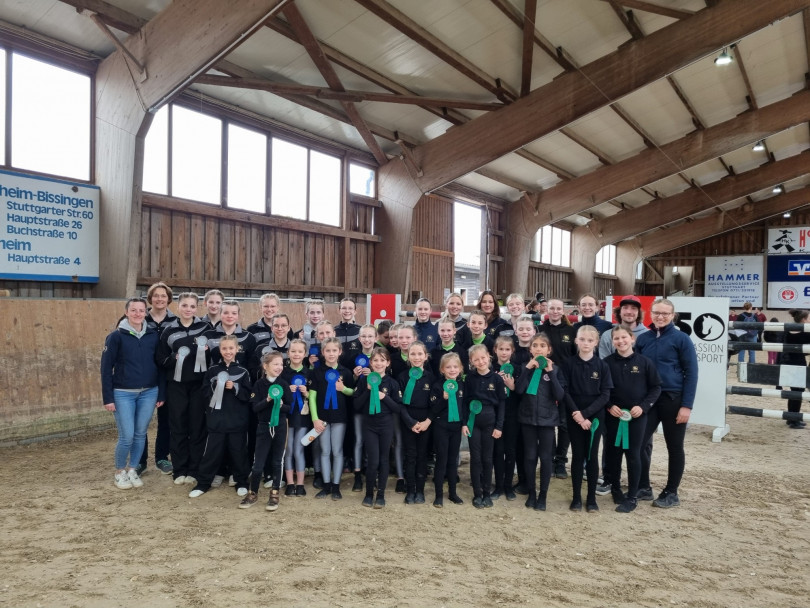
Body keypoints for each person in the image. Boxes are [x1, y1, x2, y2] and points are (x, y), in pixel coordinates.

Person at [636, 298, 699, 508]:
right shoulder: (643, 339)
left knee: (674, 446)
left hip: (673, 399)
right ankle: (643, 486)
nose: (660, 317)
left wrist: (687, 405)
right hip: (649, 400)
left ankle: (671, 492)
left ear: (672, 316)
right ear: (650, 313)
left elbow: (691, 373)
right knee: (639, 443)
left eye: (665, 313)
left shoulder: (682, 339)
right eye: (656, 312)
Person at [101, 297, 164, 489]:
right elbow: (106, 368)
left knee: (140, 434)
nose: (138, 314)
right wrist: (108, 397)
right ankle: (120, 471)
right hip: (123, 393)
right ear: (126, 312)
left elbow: (160, 365)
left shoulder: (153, 335)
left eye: (141, 310)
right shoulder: (116, 337)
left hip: (149, 392)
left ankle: (132, 469)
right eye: (134, 310)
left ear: (146, 313)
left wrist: (161, 393)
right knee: (126, 435)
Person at [603, 327, 661, 513]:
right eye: (616, 338)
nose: (621, 341)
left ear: (632, 339)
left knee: (634, 454)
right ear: (612, 341)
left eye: (624, 337)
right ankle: (615, 489)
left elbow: (656, 388)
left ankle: (633, 496)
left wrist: (643, 407)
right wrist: (609, 406)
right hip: (614, 416)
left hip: (637, 417)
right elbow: (601, 389)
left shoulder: (645, 362)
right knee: (614, 453)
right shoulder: (606, 363)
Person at [155, 292, 211, 486]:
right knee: (178, 426)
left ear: (197, 308)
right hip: (176, 386)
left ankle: (194, 469)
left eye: (192, 306)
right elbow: (160, 359)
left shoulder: (205, 328)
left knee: (197, 427)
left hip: (199, 385)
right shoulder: (168, 331)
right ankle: (179, 469)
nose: (188, 309)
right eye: (185, 306)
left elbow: (214, 356)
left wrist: (207, 353)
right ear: (178, 307)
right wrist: (173, 359)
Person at [353, 347, 418, 508]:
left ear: (388, 363)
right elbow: (356, 405)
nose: (379, 363)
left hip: (386, 425)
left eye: (382, 360)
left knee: (383, 460)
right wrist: (368, 391)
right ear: (370, 363)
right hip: (369, 426)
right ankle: (369, 494)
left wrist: (384, 397)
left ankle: (381, 495)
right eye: (375, 360)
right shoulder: (363, 381)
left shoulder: (392, 383)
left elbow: (398, 408)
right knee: (372, 460)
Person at [189, 335, 251, 499]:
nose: (228, 351)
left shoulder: (243, 371)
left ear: (237, 349)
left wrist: (235, 387)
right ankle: (203, 483)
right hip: (216, 420)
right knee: (212, 453)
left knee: (238, 452)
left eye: (231, 348)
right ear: (220, 350)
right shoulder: (212, 371)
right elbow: (204, 392)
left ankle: (241, 482)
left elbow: (248, 395)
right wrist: (215, 386)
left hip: (237, 421)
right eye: (224, 348)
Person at [560, 325, 613, 512]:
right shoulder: (568, 364)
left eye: (590, 340)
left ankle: (591, 498)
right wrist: (578, 414)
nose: (585, 343)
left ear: (596, 342)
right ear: (576, 340)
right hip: (574, 415)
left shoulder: (602, 366)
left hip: (595, 418)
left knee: (591, 455)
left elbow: (605, 395)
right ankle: (576, 497)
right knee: (577, 455)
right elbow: (564, 391)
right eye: (582, 339)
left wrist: (587, 414)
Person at [515, 333, 564, 511]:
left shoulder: (555, 370)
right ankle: (531, 493)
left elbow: (560, 395)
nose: (538, 349)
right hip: (528, 419)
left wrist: (550, 372)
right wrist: (528, 369)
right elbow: (519, 390)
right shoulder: (524, 367)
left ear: (549, 350)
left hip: (547, 421)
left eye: (542, 346)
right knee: (529, 457)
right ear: (530, 349)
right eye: (535, 345)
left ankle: (543, 495)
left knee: (545, 458)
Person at [240, 351, 292, 510]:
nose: (279, 367)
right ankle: (253, 493)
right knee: (258, 463)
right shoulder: (258, 385)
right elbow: (255, 408)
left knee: (277, 461)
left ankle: (274, 493)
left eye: (281, 364)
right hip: (263, 426)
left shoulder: (284, 384)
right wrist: (268, 399)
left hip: (280, 426)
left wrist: (281, 405)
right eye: (275, 364)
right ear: (265, 366)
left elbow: (290, 408)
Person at [307, 337, 355, 500]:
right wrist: (315, 419)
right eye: (328, 350)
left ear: (340, 352)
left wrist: (344, 388)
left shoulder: (346, 372)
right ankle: (326, 485)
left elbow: (354, 393)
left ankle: (336, 486)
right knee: (325, 451)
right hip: (322, 418)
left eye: (334, 350)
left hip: (340, 418)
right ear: (322, 352)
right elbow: (312, 397)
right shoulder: (316, 372)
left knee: (337, 451)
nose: (331, 353)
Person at [463, 344, 506, 508]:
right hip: (473, 422)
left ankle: (487, 493)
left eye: (483, 358)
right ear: (471, 361)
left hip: (490, 421)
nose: (480, 362)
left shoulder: (497, 379)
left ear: (489, 356)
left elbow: (502, 403)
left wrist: (499, 426)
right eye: (476, 359)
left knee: (488, 459)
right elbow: (464, 402)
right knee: (475, 458)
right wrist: (464, 423)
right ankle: (477, 494)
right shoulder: (469, 378)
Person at [139, 281, 175, 476]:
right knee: (141, 422)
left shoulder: (175, 321)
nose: (159, 299)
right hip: (144, 376)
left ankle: (162, 457)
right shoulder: (139, 318)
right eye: (156, 296)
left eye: (163, 296)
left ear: (168, 299)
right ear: (150, 298)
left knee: (166, 420)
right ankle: (140, 460)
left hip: (168, 377)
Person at [540, 299, 576, 479]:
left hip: (565, 383)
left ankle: (560, 461)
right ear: (547, 310)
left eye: (558, 308)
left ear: (563, 311)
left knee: (564, 423)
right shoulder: (540, 330)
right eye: (552, 308)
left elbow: (575, 356)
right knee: (547, 422)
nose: (555, 311)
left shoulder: (571, 331)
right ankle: (550, 458)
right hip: (544, 382)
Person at [398, 341, 435, 504]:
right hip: (408, 422)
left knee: (422, 455)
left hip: (425, 422)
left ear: (426, 356)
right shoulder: (402, 377)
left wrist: (427, 421)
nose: (416, 357)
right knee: (410, 455)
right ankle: (410, 489)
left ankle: (420, 490)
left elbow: (435, 403)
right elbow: (399, 403)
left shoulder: (431, 377)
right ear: (408, 356)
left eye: (420, 354)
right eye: (413, 354)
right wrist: (410, 422)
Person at [429, 352, 466, 508]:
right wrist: (443, 399)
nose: (452, 370)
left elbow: (464, 407)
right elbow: (433, 408)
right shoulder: (437, 386)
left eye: (455, 367)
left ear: (460, 368)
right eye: (448, 367)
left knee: (453, 460)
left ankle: (452, 493)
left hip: (456, 428)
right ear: (442, 369)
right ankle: (438, 495)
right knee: (441, 460)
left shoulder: (462, 385)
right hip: (441, 427)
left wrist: (464, 424)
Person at [346, 324, 378, 493]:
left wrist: (373, 375)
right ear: (359, 339)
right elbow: (347, 383)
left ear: (376, 338)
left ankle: (372, 473)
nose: (367, 339)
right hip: (359, 405)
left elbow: (387, 380)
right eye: (364, 336)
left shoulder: (380, 356)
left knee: (373, 441)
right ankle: (357, 474)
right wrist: (354, 376)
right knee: (359, 440)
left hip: (376, 406)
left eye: (370, 336)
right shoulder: (352, 357)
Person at [280, 339, 311, 495]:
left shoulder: (309, 373)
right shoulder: (283, 373)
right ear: (288, 353)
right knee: (289, 450)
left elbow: (315, 397)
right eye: (293, 351)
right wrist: (287, 390)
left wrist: (306, 392)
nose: (296, 354)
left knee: (299, 449)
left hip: (302, 417)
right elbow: (277, 394)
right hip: (287, 417)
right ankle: (290, 483)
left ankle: (300, 484)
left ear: (305, 354)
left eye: (300, 351)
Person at [491, 336, 519, 501]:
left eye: (507, 349)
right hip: (495, 416)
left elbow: (521, 391)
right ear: (495, 350)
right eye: (501, 349)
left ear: (512, 351)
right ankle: (499, 486)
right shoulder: (490, 368)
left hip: (512, 415)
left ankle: (508, 486)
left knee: (510, 450)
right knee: (498, 451)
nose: (504, 352)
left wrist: (512, 386)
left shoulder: (518, 368)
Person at [781, 309, 809, 429]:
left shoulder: (788, 330)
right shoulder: (806, 333)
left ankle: (791, 417)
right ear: (803, 320)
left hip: (787, 362)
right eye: (808, 318)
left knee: (793, 391)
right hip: (799, 363)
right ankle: (794, 420)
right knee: (798, 392)